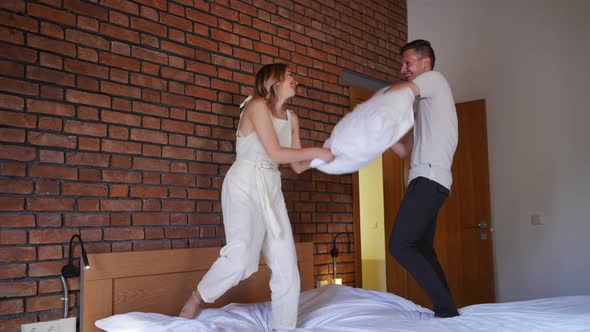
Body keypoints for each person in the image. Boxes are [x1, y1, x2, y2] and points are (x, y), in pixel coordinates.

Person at [178, 63, 334, 329]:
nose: (296, 80)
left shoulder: (292, 118)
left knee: (286, 265)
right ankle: (194, 299)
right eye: (290, 75)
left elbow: (296, 166)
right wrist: (317, 151)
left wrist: (330, 156)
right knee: (240, 259)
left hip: (272, 186)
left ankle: (284, 327)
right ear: (274, 80)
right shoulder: (256, 105)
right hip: (245, 182)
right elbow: (275, 153)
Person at [385, 39, 460, 318]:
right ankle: (447, 309)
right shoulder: (425, 107)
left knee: (400, 245)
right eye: (402, 64)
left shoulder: (435, 80)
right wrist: (379, 135)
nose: (403, 69)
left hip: (429, 178)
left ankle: (445, 308)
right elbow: (405, 149)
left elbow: (398, 91)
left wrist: (373, 103)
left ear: (425, 63)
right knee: (422, 247)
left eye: (408, 63)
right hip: (426, 178)